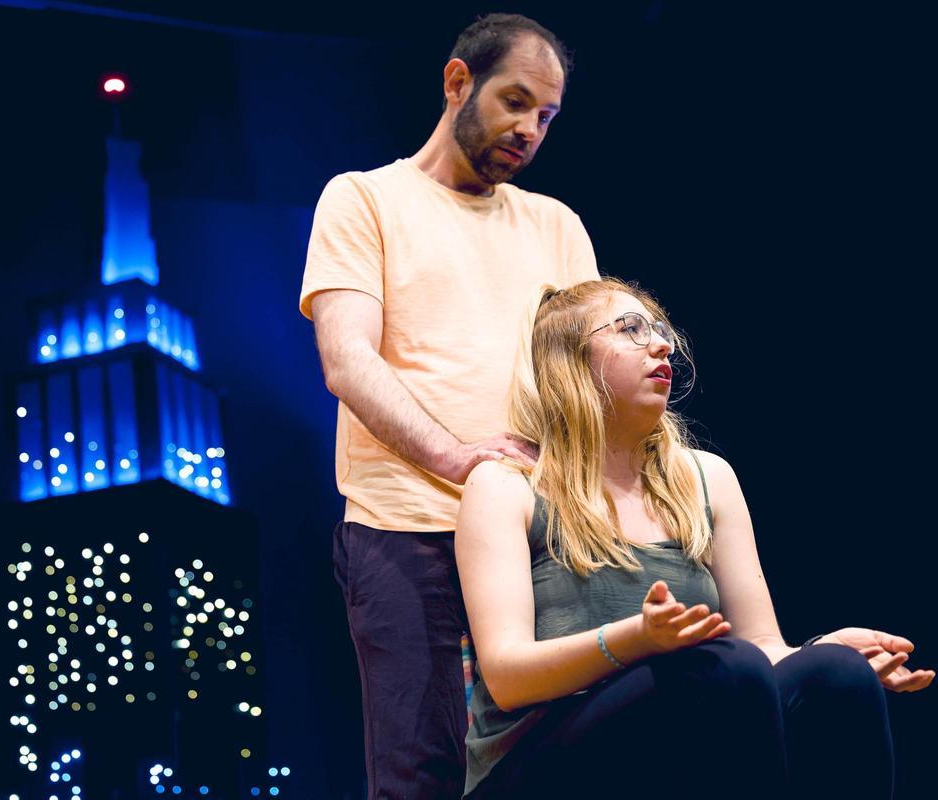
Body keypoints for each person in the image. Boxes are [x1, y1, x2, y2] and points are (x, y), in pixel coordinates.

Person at [455, 278, 933, 799]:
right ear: (569, 362)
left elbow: (762, 648)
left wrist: (818, 650)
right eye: (630, 330)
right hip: (536, 764)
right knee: (720, 667)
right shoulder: (506, 486)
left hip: (685, 720)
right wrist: (638, 639)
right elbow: (506, 676)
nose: (661, 344)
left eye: (660, 331)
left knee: (834, 675)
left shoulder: (706, 478)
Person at [299, 12, 599, 799]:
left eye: (546, 116)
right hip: (407, 529)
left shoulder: (557, 226)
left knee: (564, 761)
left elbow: (590, 377)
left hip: (538, 532)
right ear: (457, 82)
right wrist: (455, 457)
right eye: (515, 101)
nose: (529, 130)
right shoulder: (363, 200)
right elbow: (346, 357)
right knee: (422, 772)